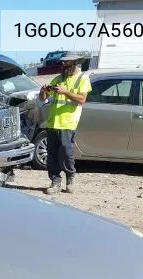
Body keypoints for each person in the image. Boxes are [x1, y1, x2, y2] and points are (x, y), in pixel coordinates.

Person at [39, 54, 91, 194]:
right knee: (52, 156)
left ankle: (70, 178)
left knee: (66, 153)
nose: (63, 66)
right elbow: (43, 98)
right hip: (52, 123)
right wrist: (43, 91)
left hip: (68, 123)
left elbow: (81, 99)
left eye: (66, 64)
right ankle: (55, 182)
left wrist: (65, 92)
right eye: (63, 64)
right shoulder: (58, 78)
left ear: (74, 64)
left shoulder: (82, 78)